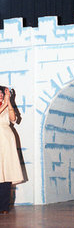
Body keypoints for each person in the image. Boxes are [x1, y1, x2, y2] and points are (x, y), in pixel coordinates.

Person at [0, 86, 23, 214]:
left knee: (6, 171)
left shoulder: (5, 104)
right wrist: (5, 102)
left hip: (6, 139)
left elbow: (14, 119)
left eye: (2, 94)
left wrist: (9, 102)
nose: (1, 96)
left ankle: (4, 207)